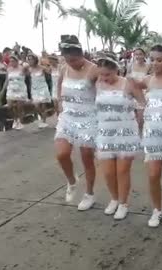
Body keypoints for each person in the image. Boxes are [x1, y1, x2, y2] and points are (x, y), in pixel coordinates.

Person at [131, 45, 162, 227]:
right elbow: (129, 84)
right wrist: (142, 102)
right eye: (152, 59)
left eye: (159, 59)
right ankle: (156, 209)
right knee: (153, 175)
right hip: (152, 134)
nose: (155, 63)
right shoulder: (147, 80)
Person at [95, 52, 144, 220]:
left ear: (117, 69)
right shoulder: (97, 84)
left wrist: (139, 121)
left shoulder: (128, 83)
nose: (104, 77)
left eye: (107, 74)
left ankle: (123, 203)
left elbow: (142, 103)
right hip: (105, 132)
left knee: (122, 171)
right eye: (101, 74)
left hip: (126, 132)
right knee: (108, 172)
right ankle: (114, 198)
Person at [54, 36, 99, 211]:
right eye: (67, 59)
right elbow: (59, 84)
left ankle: (89, 193)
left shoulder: (93, 70)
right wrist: (59, 101)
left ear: (81, 54)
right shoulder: (64, 68)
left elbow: (105, 89)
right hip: (68, 117)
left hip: (88, 118)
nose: (71, 63)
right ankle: (72, 181)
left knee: (87, 158)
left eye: (74, 59)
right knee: (61, 154)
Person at [0, 54, 27, 130]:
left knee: (19, 106)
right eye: (10, 61)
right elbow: (6, 81)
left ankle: (20, 121)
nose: (12, 63)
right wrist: (3, 90)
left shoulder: (22, 68)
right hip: (11, 89)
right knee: (10, 106)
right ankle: (15, 119)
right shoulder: (9, 69)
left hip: (20, 88)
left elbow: (28, 71)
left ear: (16, 61)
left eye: (13, 61)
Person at [127, 48, 150, 136]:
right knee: (132, 117)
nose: (138, 56)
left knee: (141, 118)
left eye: (140, 54)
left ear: (144, 55)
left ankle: (141, 135)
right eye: (136, 54)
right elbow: (126, 78)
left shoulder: (148, 66)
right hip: (132, 94)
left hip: (143, 94)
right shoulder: (131, 65)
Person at [27, 53, 52, 128]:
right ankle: (42, 117)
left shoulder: (41, 68)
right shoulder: (29, 69)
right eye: (29, 59)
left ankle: (43, 121)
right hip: (34, 89)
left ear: (35, 60)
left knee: (43, 105)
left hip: (42, 88)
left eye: (31, 59)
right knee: (36, 105)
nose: (30, 61)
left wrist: (48, 65)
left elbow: (50, 72)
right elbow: (30, 80)